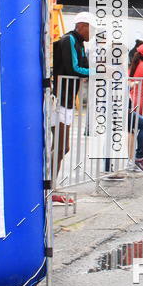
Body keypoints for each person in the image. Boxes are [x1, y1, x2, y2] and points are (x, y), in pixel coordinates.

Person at [51, 11, 92, 196]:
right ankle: (49, 188)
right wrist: (97, 73)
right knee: (60, 147)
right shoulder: (69, 40)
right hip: (58, 99)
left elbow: (82, 67)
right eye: (92, 28)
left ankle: (51, 186)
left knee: (62, 147)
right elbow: (73, 68)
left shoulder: (80, 43)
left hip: (67, 100)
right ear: (82, 25)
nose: (93, 33)